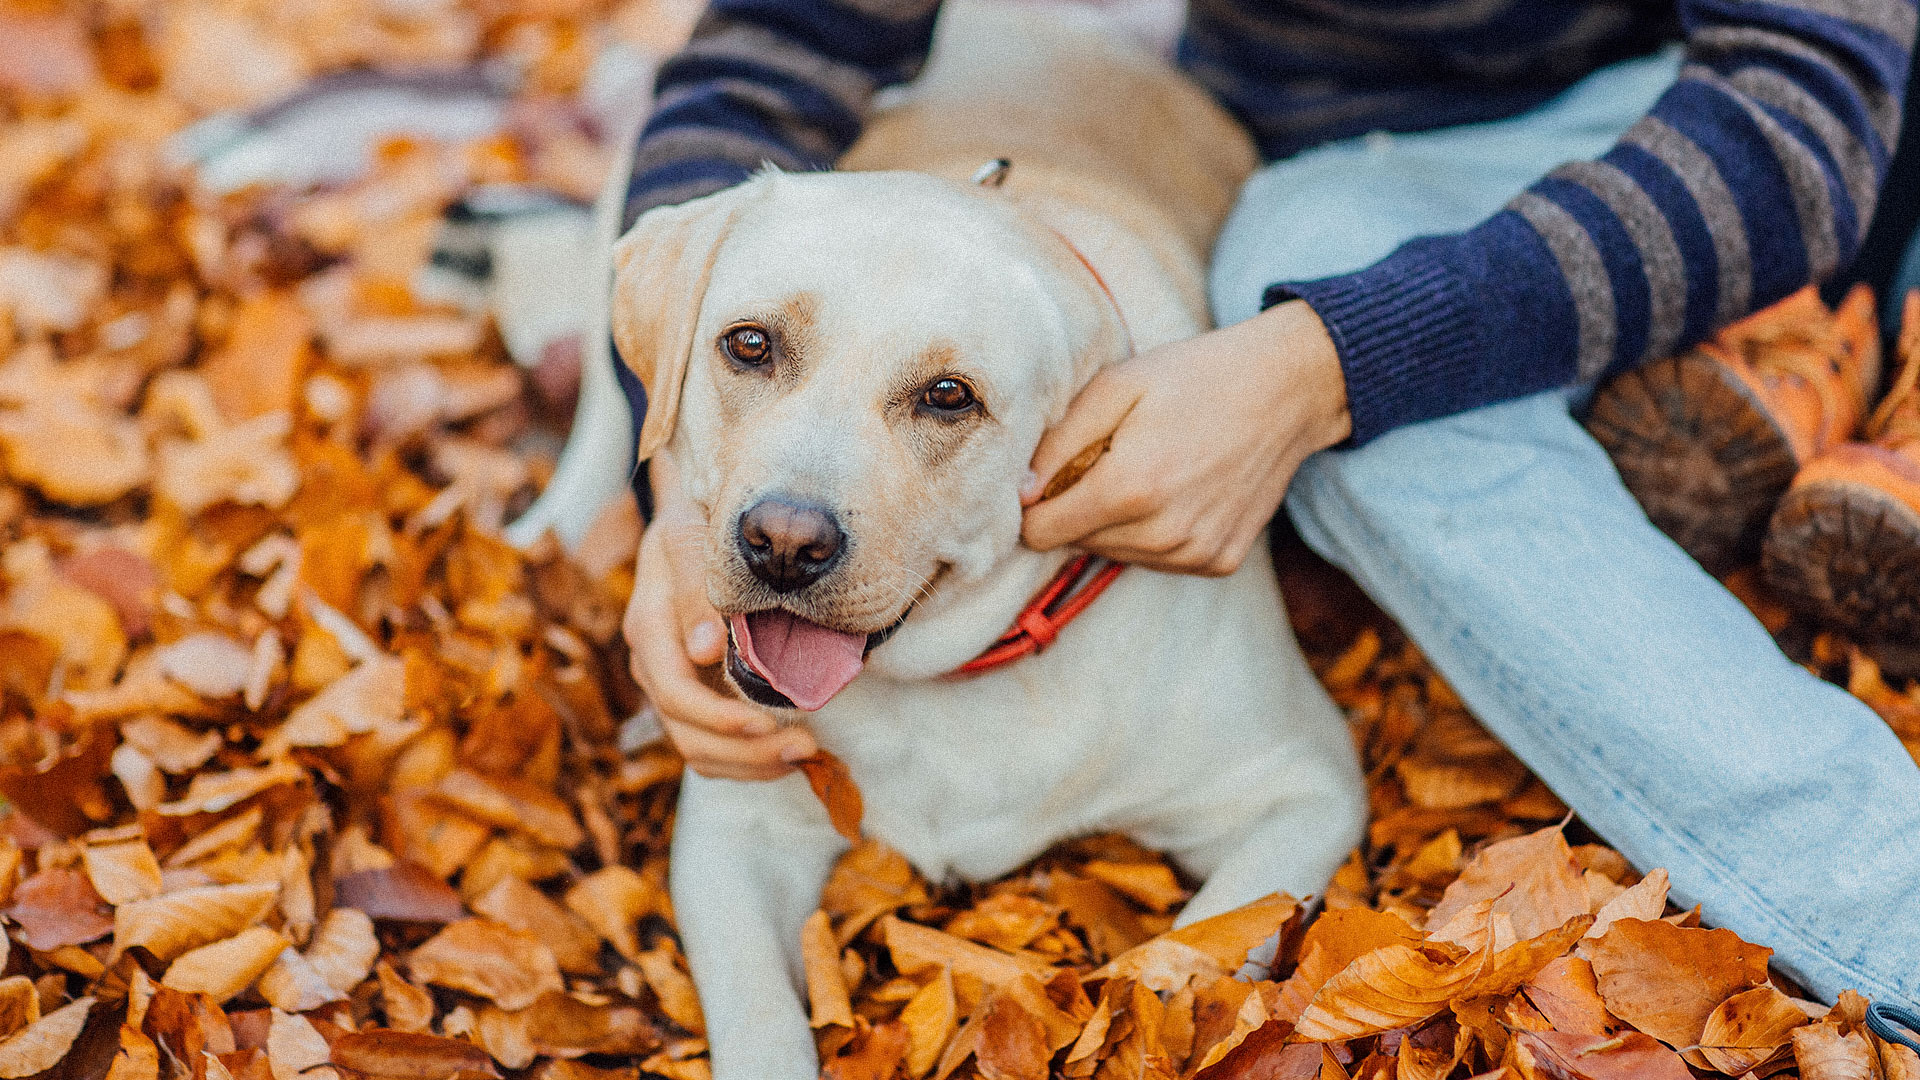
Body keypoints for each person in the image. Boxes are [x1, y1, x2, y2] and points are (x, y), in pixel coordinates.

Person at [615, 0, 1920, 1005]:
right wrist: (682, 470)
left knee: (1326, 285)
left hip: (1773, 124)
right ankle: (1785, 361)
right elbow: (771, 56)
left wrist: (1328, 364)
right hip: (1340, 154)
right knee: (1312, 266)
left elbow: (1796, 115)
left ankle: (1891, 919)